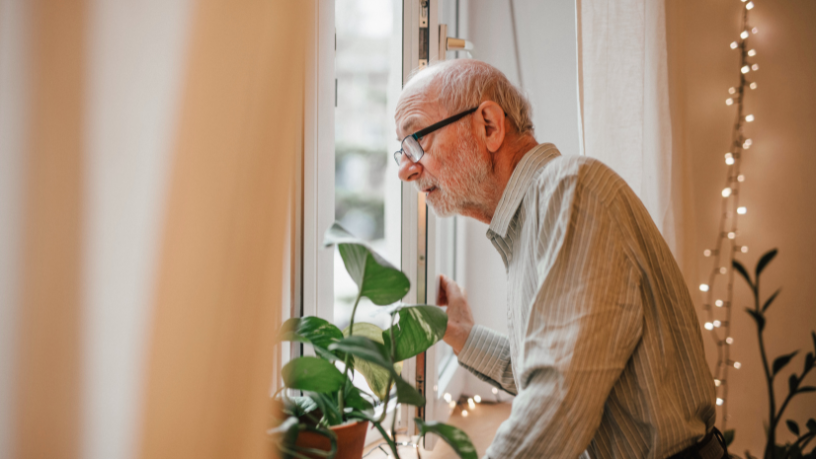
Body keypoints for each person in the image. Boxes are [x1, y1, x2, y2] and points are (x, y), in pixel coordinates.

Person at [394, 59, 726, 459]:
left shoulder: (570, 191)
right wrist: (463, 335)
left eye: (416, 141)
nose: (406, 171)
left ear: (489, 125)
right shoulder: (536, 215)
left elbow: (558, 398)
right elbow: (554, 372)